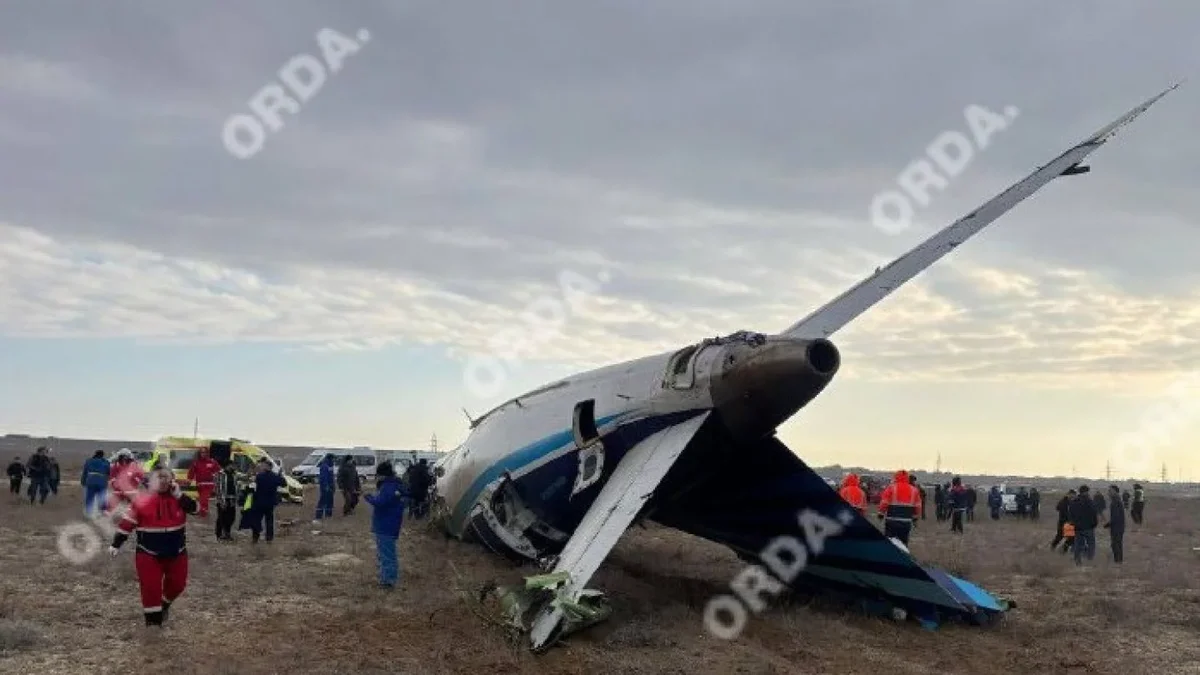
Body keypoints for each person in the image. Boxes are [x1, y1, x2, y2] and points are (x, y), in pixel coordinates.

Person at [108, 468, 199, 627]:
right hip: (148, 553)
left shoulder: (181, 499)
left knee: (178, 584)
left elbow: (198, 510)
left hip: (177, 552)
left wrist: (180, 496)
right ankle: (153, 626)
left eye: (166, 477)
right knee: (151, 588)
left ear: (172, 480)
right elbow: (126, 524)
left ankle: (164, 605)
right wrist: (116, 543)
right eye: (158, 477)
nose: (162, 481)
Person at [365, 461, 408, 589]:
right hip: (389, 524)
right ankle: (385, 578)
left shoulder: (388, 486)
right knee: (385, 553)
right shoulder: (395, 485)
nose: (377, 477)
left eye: (378, 475)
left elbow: (381, 502)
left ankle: (388, 581)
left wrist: (369, 497)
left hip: (385, 525)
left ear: (383, 475)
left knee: (387, 554)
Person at [240, 460, 284, 543]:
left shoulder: (259, 477)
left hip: (259, 502)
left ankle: (255, 537)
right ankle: (269, 538)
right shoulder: (274, 476)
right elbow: (283, 483)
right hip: (270, 503)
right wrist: (280, 475)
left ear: (267, 467)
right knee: (269, 521)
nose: (262, 467)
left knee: (256, 520)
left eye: (264, 465)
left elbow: (250, 488)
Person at [877, 470, 921, 545]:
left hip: (892, 521)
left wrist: (881, 514)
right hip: (906, 522)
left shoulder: (891, 488)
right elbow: (917, 506)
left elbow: (884, 502)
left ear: (896, 477)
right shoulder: (914, 490)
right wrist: (915, 519)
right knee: (903, 543)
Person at [186, 448, 221, 518]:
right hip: (199, 484)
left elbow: (218, 471)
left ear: (208, 453)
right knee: (202, 498)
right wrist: (189, 480)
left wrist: (216, 479)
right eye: (202, 452)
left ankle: (203, 511)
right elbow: (191, 472)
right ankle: (205, 509)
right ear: (200, 453)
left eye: (205, 452)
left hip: (209, 484)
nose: (203, 454)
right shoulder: (196, 462)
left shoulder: (212, 462)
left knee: (204, 498)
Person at [108, 449, 146, 514]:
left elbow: (140, 475)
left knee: (131, 506)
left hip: (130, 491)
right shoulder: (116, 466)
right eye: (122, 457)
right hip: (119, 491)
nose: (124, 459)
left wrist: (137, 482)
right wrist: (113, 484)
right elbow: (112, 477)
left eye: (126, 457)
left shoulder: (134, 465)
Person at [1069, 485, 1099, 565]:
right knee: (1091, 544)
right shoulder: (1090, 502)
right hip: (1088, 527)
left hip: (1078, 527)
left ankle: (1078, 561)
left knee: (1078, 545)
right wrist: (1094, 524)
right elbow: (1094, 513)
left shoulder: (1074, 502)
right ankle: (1089, 559)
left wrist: (1073, 524)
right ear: (1086, 491)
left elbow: (1071, 515)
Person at [214, 460, 240, 541]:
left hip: (232, 499)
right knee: (221, 518)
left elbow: (244, 478)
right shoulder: (219, 474)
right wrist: (222, 501)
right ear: (227, 466)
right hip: (223, 499)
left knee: (231, 517)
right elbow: (218, 488)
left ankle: (227, 533)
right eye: (232, 465)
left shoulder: (235, 474)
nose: (233, 467)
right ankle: (219, 534)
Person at [81, 450, 111, 517]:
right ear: (102, 455)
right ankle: (103, 510)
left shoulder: (88, 461)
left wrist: (83, 481)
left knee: (90, 497)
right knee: (102, 496)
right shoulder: (106, 462)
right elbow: (109, 473)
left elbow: (85, 472)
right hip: (102, 482)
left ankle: (88, 511)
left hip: (91, 481)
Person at [1104, 484, 1126, 563]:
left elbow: (1115, 517)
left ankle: (1118, 561)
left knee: (1115, 544)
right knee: (1117, 544)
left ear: (1115, 491)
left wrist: (1109, 524)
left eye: (1110, 491)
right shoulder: (1116, 500)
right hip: (1118, 526)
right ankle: (1119, 561)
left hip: (1117, 527)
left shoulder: (1116, 501)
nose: (1108, 492)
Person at [312, 455, 335, 524]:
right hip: (325, 487)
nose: (334, 460)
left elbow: (332, 477)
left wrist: (333, 486)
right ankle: (318, 516)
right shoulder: (324, 466)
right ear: (330, 458)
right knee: (323, 501)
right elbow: (324, 477)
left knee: (330, 501)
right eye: (333, 459)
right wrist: (326, 486)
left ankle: (328, 515)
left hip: (330, 486)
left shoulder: (330, 466)